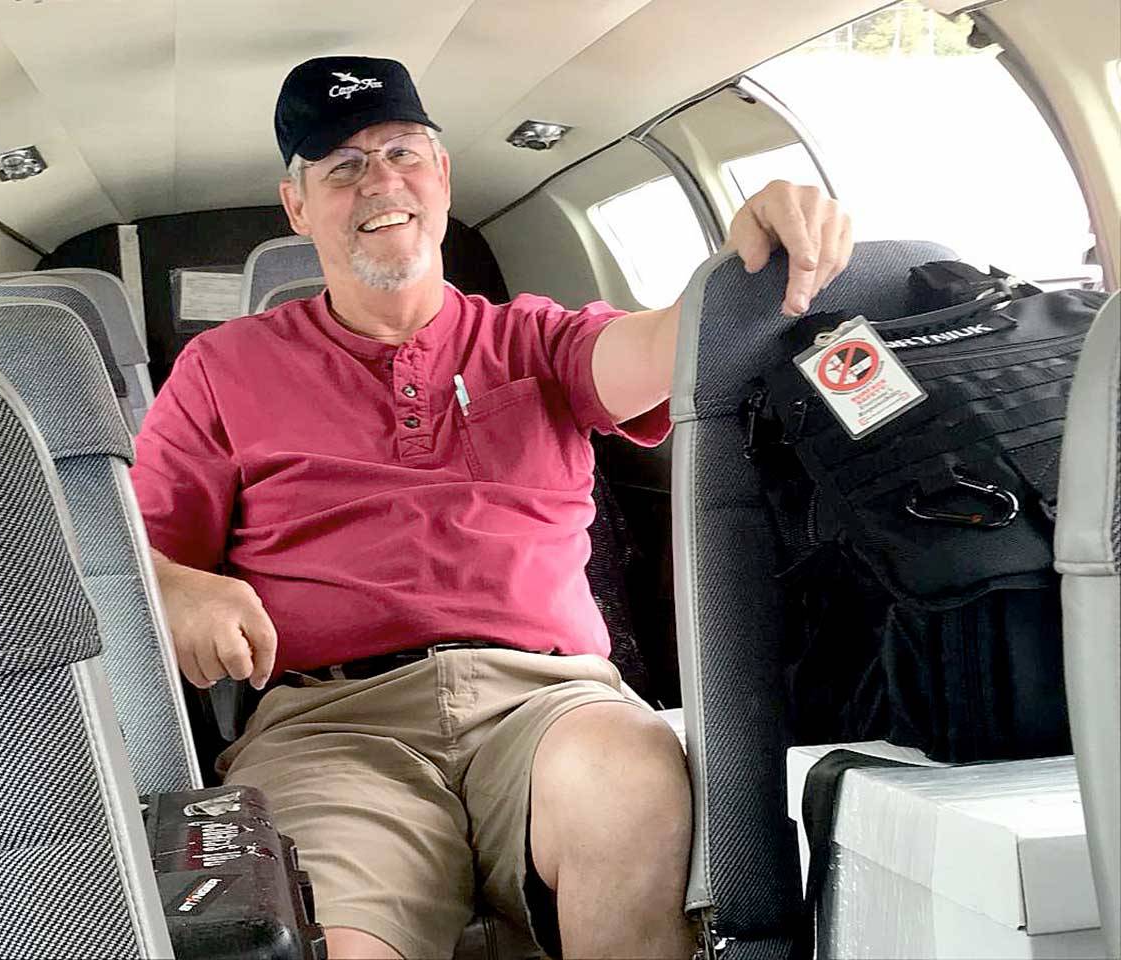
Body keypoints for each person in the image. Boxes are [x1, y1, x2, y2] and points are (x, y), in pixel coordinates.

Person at [133, 56, 852, 960]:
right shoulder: (222, 369)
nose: (381, 182)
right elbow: (133, 563)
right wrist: (180, 590)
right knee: (331, 944)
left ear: (441, 177)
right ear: (297, 205)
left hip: (549, 705)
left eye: (403, 152)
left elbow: (671, 346)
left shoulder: (533, 336)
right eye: (343, 167)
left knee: (632, 785)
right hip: (331, 729)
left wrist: (748, 257)